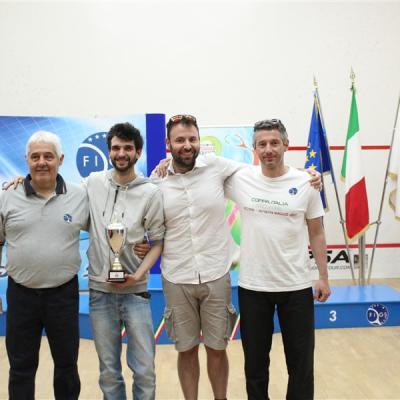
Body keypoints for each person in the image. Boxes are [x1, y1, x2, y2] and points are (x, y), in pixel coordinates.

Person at [152, 115, 322, 400]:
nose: (187, 145)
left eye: (192, 139)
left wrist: (307, 175)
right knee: (191, 351)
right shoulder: (157, 180)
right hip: (181, 277)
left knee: (220, 349)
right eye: (179, 140)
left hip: (221, 275)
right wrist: (165, 163)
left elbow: (271, 171)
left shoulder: (218, 167)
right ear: (168, 144)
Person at [224, 119, 331, 400]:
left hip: (296, 286)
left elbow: (317, 232)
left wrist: (323, 276)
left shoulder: (307, 182)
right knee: (255, 366)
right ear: (255, 149)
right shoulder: (241, 179)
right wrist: (168, 164)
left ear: (286, 144)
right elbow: (201, 172)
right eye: (262, 144)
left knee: (301, 364)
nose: (268, 149)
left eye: (274, 143)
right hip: (253, 287)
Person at [0, 131, 89, 400]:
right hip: (21, 296)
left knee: (66, 366)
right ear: (27, 159)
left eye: (48, 156)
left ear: (60, 159)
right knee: (21, 368)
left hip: (63, 295)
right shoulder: (7, 195)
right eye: (35, 156)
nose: (41, 162)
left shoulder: (79, 196)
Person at [85, 122, 165, 400]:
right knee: (108, 371)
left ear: (138, 152)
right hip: (100, 292)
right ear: (109, 151)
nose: (121, 153)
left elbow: (158, 242)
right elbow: (59, 191)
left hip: (136, 293)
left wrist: (138, 274)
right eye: (116, 148)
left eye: (127, 148)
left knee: (144, 370)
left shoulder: (150, 192)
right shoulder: (93, 183)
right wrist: (22, 181)